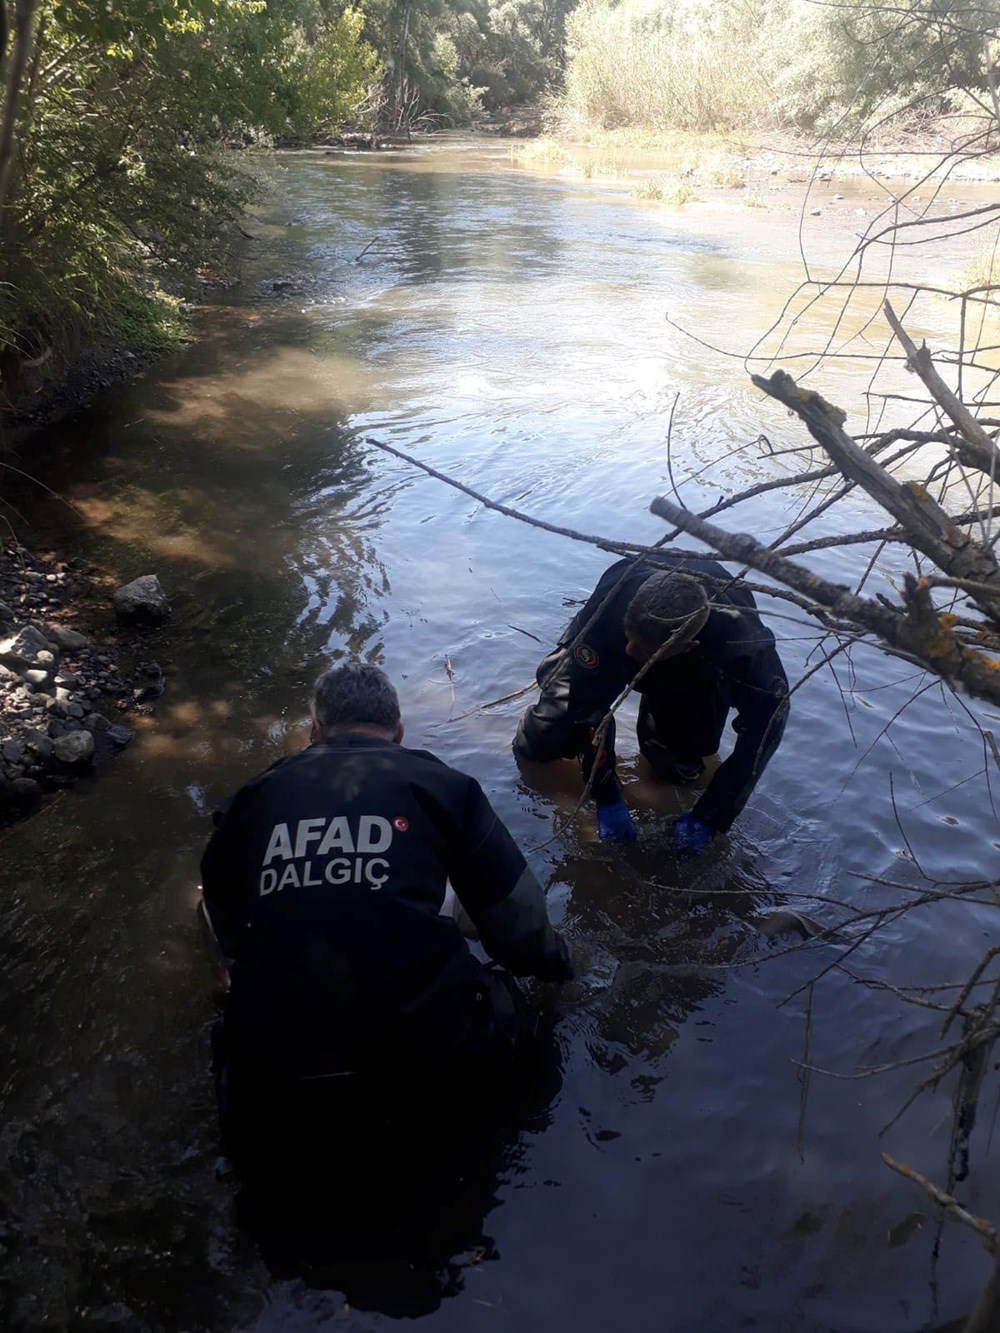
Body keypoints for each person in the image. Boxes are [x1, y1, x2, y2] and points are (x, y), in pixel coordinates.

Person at [201, 662, 572, 1156]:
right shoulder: (449, 788)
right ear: (398, 733)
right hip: (424, 1066)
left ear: (315, 731)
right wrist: (561, 966)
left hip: (272, 1085)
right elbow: (519, 928)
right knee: (520, 1012)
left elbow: (227, 928)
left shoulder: (250, 798)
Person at [513, 555, 789, 853]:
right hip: (610, 637)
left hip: (693, 668)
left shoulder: (743, 647)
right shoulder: (615, 600)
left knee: (677, 768)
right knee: (550, 732)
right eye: (630, 640)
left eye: (638, 649)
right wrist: (606, 794)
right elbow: (586, 706)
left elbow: (764, 731)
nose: (630, 650)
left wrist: (712, 815)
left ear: (687, 646)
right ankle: (540, 736)